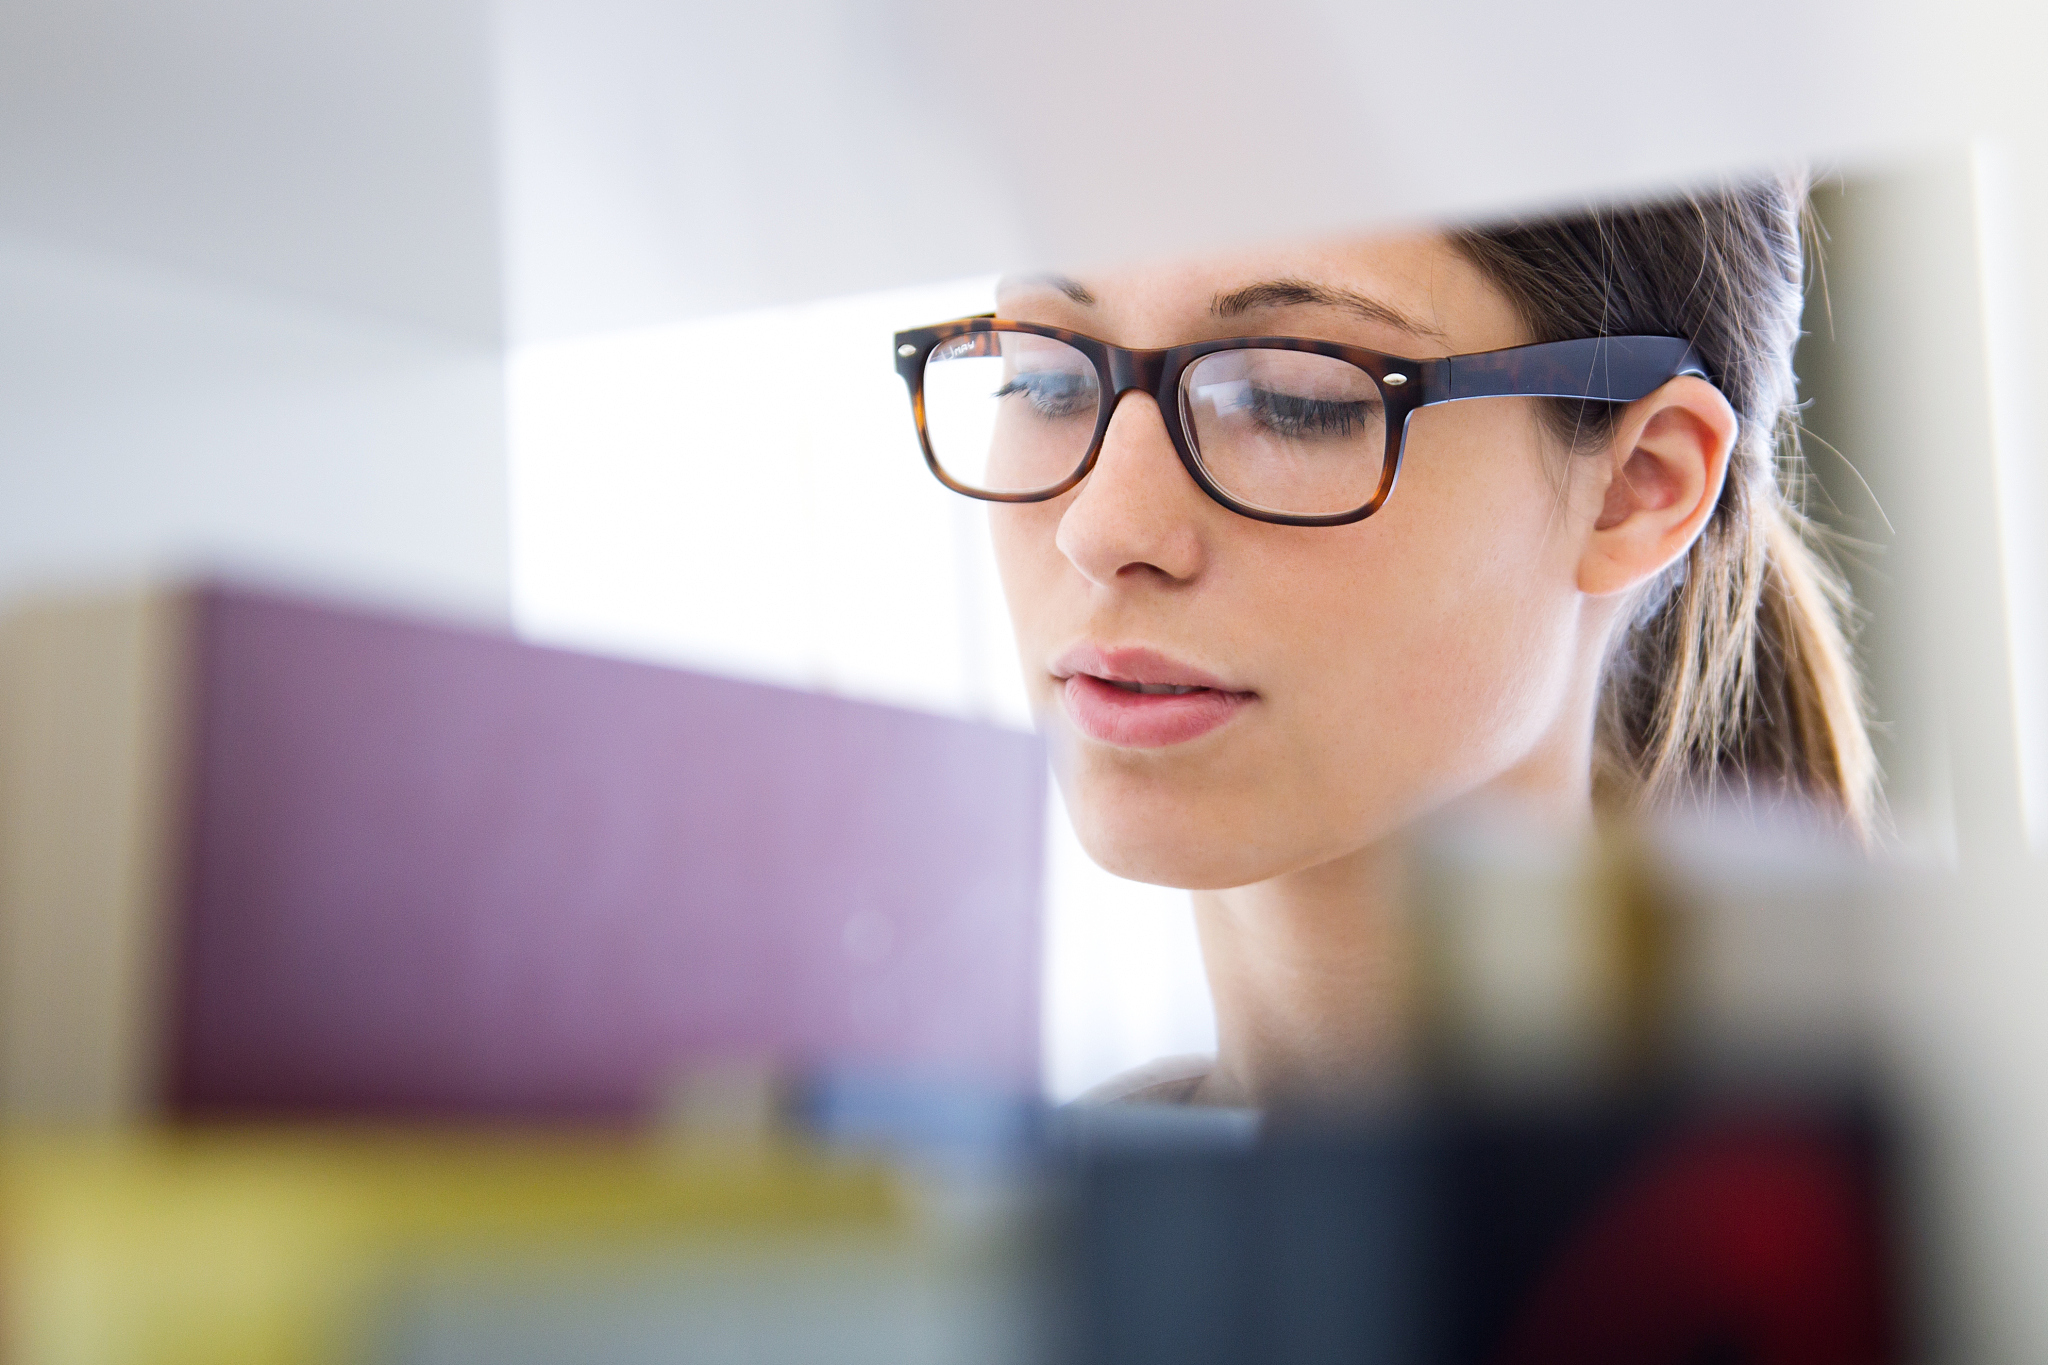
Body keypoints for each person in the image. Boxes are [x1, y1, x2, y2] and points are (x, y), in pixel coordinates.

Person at [893, 175, 1872, 1108]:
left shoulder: (1867, 1205)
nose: (1103, 528)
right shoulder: (980, 1215)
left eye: (1293, 400)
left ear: (1639, 486)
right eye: (1046, 382)